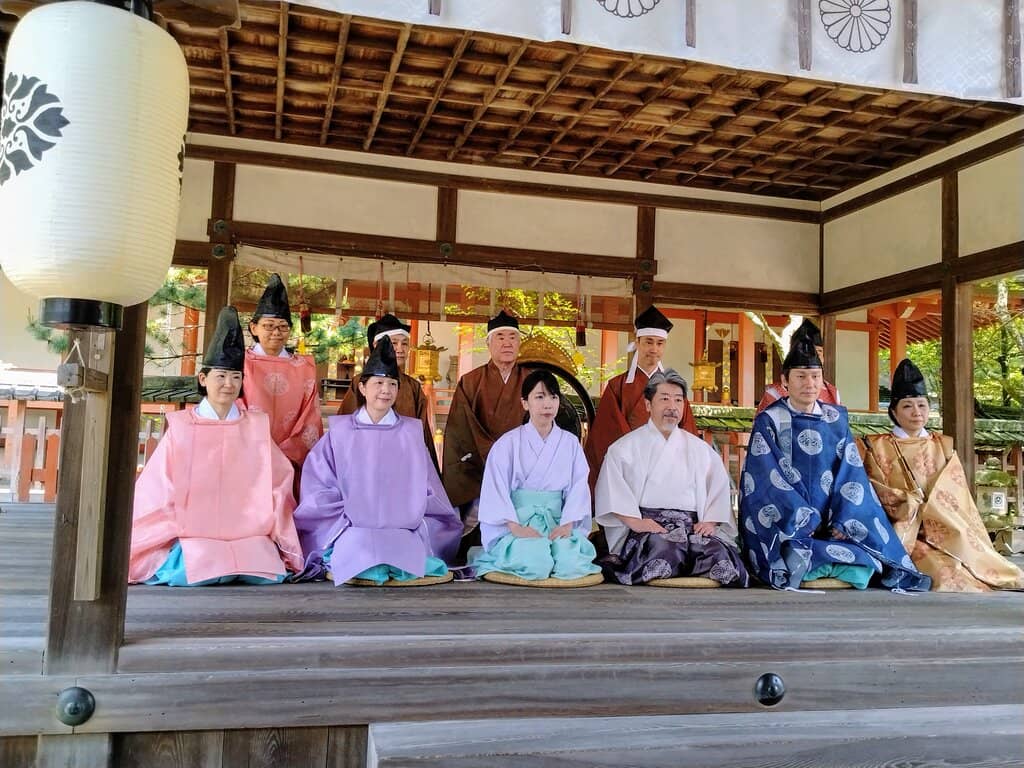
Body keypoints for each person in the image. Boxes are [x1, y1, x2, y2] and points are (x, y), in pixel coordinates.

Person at [129, 307, 303, 586]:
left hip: (249, 535)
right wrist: (179, 520)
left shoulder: (256, 426)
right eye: (220, 376)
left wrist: (275, 525)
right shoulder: (182, 427)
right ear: (203, 379)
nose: (228, 384)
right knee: (196, 566)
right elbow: (158, 488)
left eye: (236, 377)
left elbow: (279, 483)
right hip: (194, 534)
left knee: (261, 567)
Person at [739, 340, 930, 591]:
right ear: (785, 381)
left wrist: (844, 519)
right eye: (801, 376)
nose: (809, 384)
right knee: (790, 551)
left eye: (815, 376)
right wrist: (802, 519)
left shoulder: (836, 418)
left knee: (866, 553)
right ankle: (821, 566)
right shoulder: (770, 420)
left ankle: (822, 567)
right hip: (791, 523)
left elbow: (851, 472)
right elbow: (765, 477)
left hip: (832, 522)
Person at [294, 336, 461, 585]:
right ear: (362, 388)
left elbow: (430, 490)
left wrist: (411, 517)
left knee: (402, 549)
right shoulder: (339, 433)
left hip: (404, 529)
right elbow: (319, 487)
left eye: (392, 384)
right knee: (361, 546)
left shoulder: (411, 433)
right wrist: (347, 519)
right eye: (379, 383)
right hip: (351, 527)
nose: (386, 390)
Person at [861, 359, 1024, 592]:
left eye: (922, 405)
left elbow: (956, 493)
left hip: (947, 526)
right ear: (893, 411)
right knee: (946, 573)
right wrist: (910, 504)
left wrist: (935, 512)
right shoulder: (875, 446)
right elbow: (874, 488)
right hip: (905, 532)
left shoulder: (943, 445)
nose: (916, 412)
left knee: (980, 563)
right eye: (907, 406)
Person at [595, 369, 748, 586]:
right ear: (648, 404)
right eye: (664, 399)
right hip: (651, 527)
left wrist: (710, 521)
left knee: (719, 557)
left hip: (692, 526)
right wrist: (636, 522)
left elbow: (718, 489)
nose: (672, 407)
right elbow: (613, 491)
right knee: (666, 550)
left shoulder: (700, 449)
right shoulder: (624, 448)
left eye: (678, 400)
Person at [471, 370, 601, 581]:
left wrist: (568, 524)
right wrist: (515, 527)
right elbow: (495, 490)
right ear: (525, 403)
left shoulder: (570, 443)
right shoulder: (507, 443)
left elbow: (578, 488)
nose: (547, 404)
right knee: (537, 563)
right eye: (539, 397)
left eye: (553, 397)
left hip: (558, 522)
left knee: (570, 564)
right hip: (518, 523)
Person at [585, 305, 697, 493]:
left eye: (660, 343)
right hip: (627, 472)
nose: (654, 349)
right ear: (637, 342)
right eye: (648, 342)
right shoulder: (617, 386)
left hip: (668, 471)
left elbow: (687, 433)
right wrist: (636, 457)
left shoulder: (675, 388)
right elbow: (606, 435)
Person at [442, 310, 530, 544]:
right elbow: (460, 428)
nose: (507, 343)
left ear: (519, 343)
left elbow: (542, 423)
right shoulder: (471, 381)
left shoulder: (531, 380)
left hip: (522, 465)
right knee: (473, 519)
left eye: (513, 337)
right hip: (478, 463)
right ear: (488, 344)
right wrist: (494, 456)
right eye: (500, 337)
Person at [241, 273, 323, 481]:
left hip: (290, 463)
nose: (276, 332)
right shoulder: (241, 364)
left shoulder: (304, 367)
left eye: (283, 326)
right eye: (269, 325)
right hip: (248, 456)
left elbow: (310, 418)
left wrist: (284, 455)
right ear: (254, 328)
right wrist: (261, 450)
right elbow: (234, 406)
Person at [339, 313, 438, 469]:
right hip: (362, 462)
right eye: (394, 343)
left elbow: (422, 433)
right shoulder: (360, 382)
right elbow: (345, 427)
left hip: (403, 463)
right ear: (376, 345)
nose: (400, 349)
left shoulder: (413, 386)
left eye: (405, 344)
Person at [756, 318, 841, 413]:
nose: (809, 384)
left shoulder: (832, 392)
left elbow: (837, 420)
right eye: (801, 376)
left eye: (818, 352)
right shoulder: (774, 393)